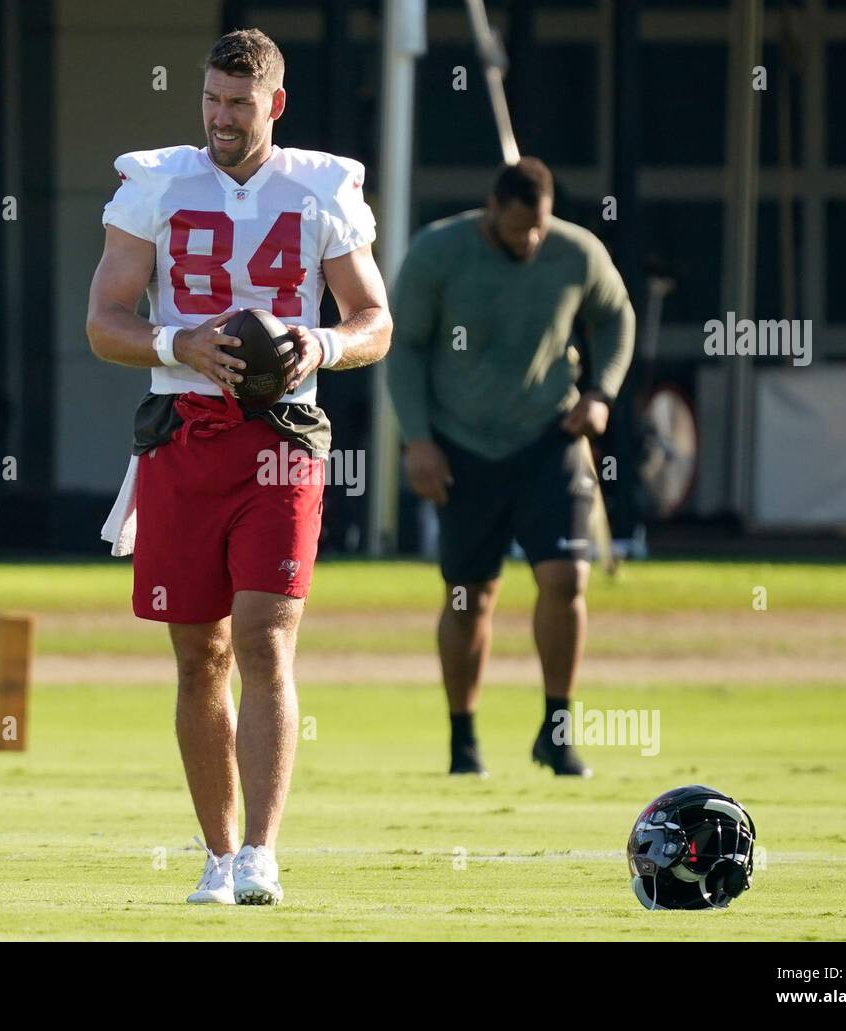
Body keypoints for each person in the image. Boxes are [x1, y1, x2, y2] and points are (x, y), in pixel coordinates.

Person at [86, 29, 391, 904]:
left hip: (282, 432)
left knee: (264, 637)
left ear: (275, 106)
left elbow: (375, 318)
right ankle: (217, 858)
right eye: (212, 101)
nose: (222, 119)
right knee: (199, 654)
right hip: (182, 430)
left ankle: (261, 850)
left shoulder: (319, 187)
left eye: (240, 105)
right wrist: (176, 337)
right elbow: (104, 320)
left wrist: (321, 343)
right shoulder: (157, 182)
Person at [386, 158, 634, 779]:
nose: (529, 240)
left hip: (551, 439)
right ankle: (463, 740)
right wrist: (417, 440)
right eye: (519, 227)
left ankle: (556, 730)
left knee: (566, 579)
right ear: (492, 210)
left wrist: (600, 394)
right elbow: (404, 347)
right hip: (463, 447)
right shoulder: (438, 253)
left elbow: (618, 316)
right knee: (471, 596)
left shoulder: (577, 252)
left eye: (539, 229)